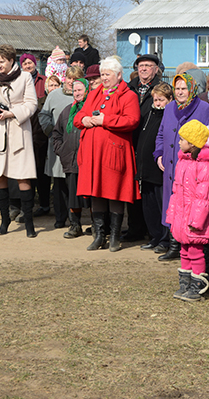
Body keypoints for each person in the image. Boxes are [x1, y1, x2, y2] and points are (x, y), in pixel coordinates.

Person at [74, 56, 141, 252]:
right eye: (102, 74)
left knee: (115, 193)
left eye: (107, 74)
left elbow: (132, 120)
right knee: (96, 192)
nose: (104, 78)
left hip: (114, 152)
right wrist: (85, 120)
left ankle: (114, 236)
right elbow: (79, 115)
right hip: (93, 153)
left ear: (118, 75)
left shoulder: (129, 95)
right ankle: (99, 235)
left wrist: (105, 120)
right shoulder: (94, 94)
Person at [154, 72, 209, 261]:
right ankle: (173, 244)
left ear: (192, 89)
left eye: (184, 88)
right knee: (172, 205)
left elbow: (205, 137)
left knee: (187, 205)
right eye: (177, 88)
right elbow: (161, 133)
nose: (180, 92)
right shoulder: (170, 107)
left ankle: (188, 245)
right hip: (170, 167)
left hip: (191, 168)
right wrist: (159, 153)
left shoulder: (204, 108)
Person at [0, 44, 39, 237]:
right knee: (0, 175)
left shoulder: (24, 78)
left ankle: (29, 222)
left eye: (2, 61)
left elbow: (32, 104)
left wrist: (12, 113)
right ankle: (4, 220)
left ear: (11, 60)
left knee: (22, 176)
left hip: (18, 129)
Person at [166, 120, 209, 302]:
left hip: (195, 218)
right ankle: (186, 282)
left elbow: (203, 197)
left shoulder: (205, 165)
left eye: (183, 139)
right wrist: (172, 215)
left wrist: (196, 221)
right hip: (181, 216)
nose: (180, 142)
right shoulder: (183, 162)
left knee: (195, 251)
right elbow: (176, 191)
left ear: (192, 143)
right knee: (184, 250)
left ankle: (197, 283)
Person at [125, 53, 164, 242]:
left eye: (148, 65)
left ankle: (154, 231)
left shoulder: (161, 90)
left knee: (150, 189)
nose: (144, 69)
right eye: (140, 66)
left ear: (156, 69)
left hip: (152, 144)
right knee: (132, 187)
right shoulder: (129, 88)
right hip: (131, 143)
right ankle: (135, 228)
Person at [40, 65, 82, 230]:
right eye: (69, 78)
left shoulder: (83, 96)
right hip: (57, 146)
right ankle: (60, 218)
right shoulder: (54, 95)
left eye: (75, 79)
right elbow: (43, 115)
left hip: (76, 148)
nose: (71, 82)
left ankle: (74, 220)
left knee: (73, 185)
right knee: (58, 186)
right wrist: (51, 132)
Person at [52, 78, 91, 238]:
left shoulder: (92, 109)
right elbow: (57, 133)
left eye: (80, 90)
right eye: (74, 91)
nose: (77, 93)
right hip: (70, 161)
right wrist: (61, 150)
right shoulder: (67, 110)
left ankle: (97, 226)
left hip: (88, 161)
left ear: (87, 90)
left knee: (91, 196)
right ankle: (75, 225)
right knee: (73, 196)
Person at [137, 82, 173, 252]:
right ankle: (154, 236)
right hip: (145, 169)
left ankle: (165, 239)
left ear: (169, 99)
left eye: (161, 99)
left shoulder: (169, 115)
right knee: (148, 206)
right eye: (156, 99)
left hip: (159, 170)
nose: (158, 103)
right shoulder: (150, 113)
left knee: (162, 206)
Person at [19, 52, 50, 218]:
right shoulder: (18, 81)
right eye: (25, 63)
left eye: (30, 63)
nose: (28, 66)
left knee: (40, 171)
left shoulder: (43, 81)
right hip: (24, 126)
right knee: (25, 172)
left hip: (40, 128)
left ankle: (45, 204)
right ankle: (27, 205)